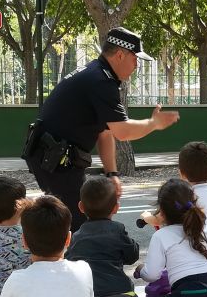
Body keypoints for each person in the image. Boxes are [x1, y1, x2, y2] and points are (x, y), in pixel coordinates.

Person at [21, 27, 180, 232]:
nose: (137, 65)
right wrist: (154, 124)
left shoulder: (97, 74)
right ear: (120, 54)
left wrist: (111, 173)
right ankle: (69, 259)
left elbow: (105, 132)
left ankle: (59, 256)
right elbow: (122, 131)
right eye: (135, 58)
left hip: (54, 158)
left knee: (71, 218)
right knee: (79, 222)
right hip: (55, 161)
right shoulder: (100, 81)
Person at [65, 176, 140, 297]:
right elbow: (133, 256)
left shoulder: (77, 237)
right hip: (122, 296)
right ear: (116, 208)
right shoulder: (118, 230)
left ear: (80, 207)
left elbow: (69, 264)